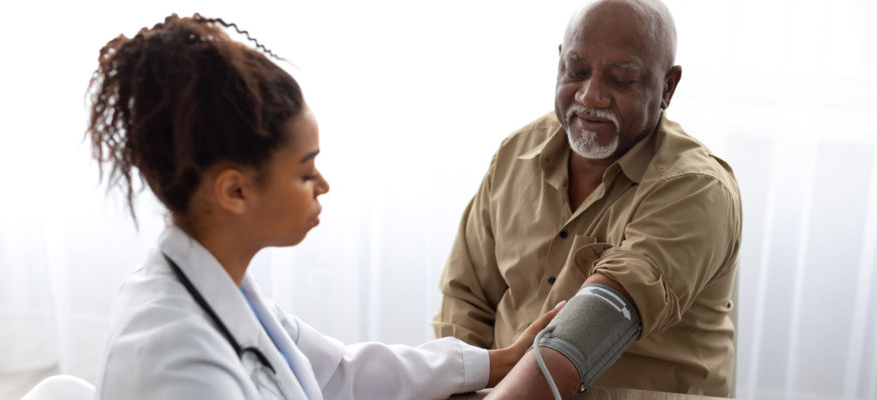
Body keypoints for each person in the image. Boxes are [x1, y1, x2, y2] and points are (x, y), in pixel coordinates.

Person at [87, 14, 561, 400]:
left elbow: (340, 374)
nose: (324, 185)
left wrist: (497, 361)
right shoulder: (177, 361)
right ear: (235, 191)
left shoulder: (224, 291)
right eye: (306, 172)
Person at [433, 0, 742, 398]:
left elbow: (596, 323)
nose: (591, 96)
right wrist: (461, 388)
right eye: (576, 71)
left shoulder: (697, 189)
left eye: (621, 80)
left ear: (668, 87)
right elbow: (465, 298)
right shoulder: (516, 154)